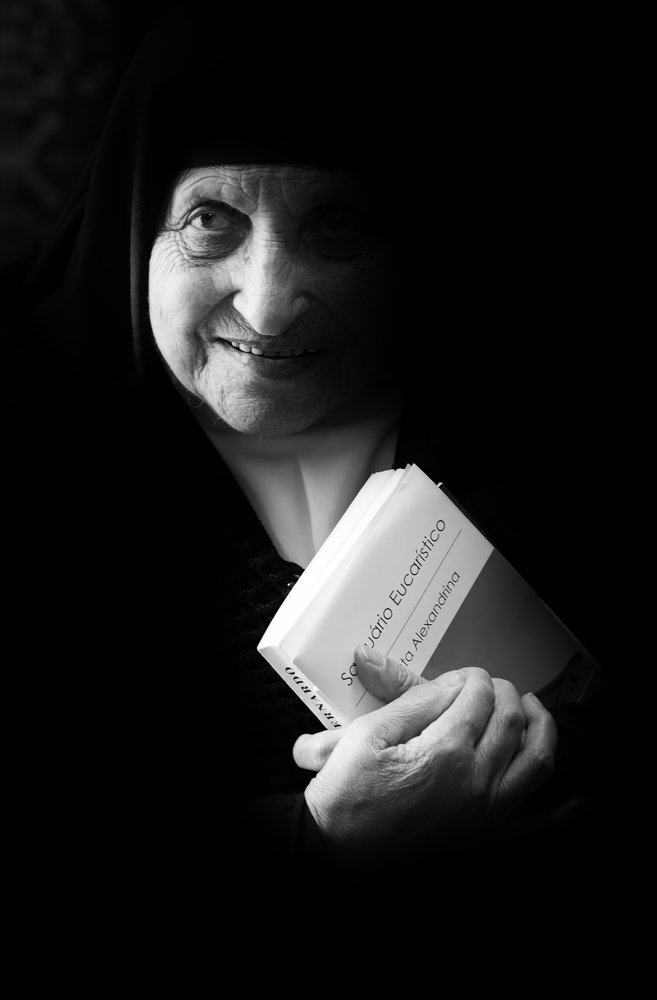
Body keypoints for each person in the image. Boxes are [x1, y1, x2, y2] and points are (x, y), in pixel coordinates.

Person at [3, 3, 615, 908]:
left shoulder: (542, 418)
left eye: (335, 227)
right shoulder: (34, 438)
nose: (268, 305)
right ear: (134, 229)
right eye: (210, 219)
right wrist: (312, 842)